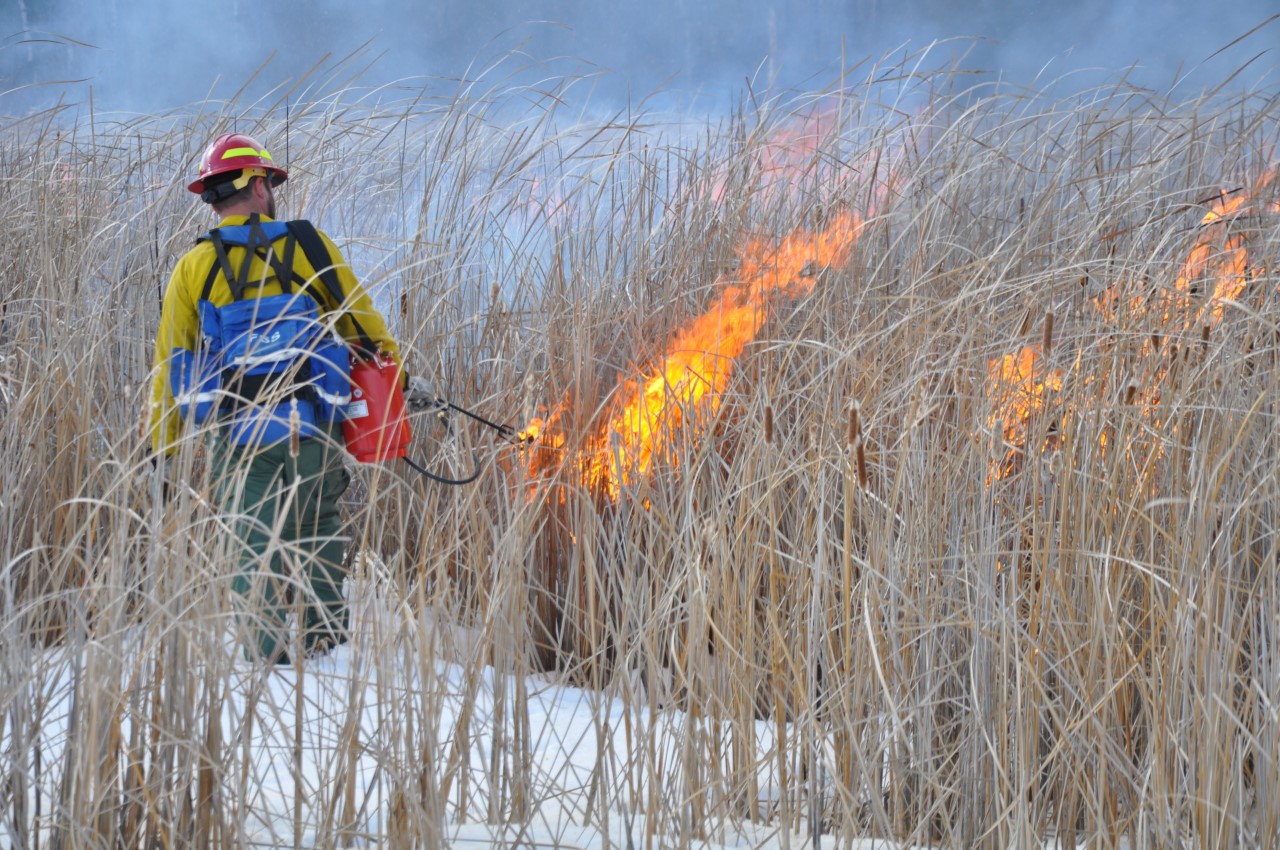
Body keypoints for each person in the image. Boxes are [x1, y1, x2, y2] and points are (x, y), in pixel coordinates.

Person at [148, 132, 434, 664]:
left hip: (239, 437)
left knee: (250, 543)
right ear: (258, 185)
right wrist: (402, 381)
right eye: (270, 182)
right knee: (317, 529)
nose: (273, 190)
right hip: (311, 428)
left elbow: (172, 368)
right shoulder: (310, 245)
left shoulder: (193, 268)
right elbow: (363, 327)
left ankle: (266, 660)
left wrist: (161, 451)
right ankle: (325, 648)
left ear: (213, 196)